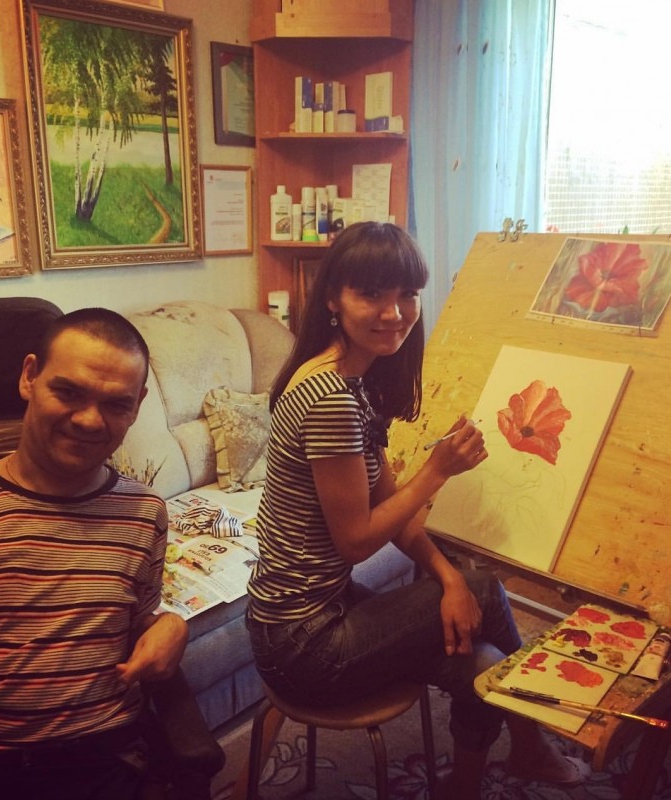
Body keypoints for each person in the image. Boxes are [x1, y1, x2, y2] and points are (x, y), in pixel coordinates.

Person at [246, 222, 588, 799]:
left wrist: (448, 578)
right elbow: (357, 541)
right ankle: (529, 746)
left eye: (407, 294)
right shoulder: (330, 398)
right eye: (371, 294)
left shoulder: (350, 383)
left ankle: (479, 776)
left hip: (318, 614)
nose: (395, 312)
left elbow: (390, 507)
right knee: (485, 592)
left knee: (482, 657)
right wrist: (437, 471)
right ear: (333, 299)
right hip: (301, 644)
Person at [0, 308, 188, 800]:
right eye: (69, 392)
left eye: (116, 404)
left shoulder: (145, 513)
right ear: (29, 377)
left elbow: (136, 621)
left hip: (107, 756)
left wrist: (170, 626)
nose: (89, 420)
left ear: (137, 406)